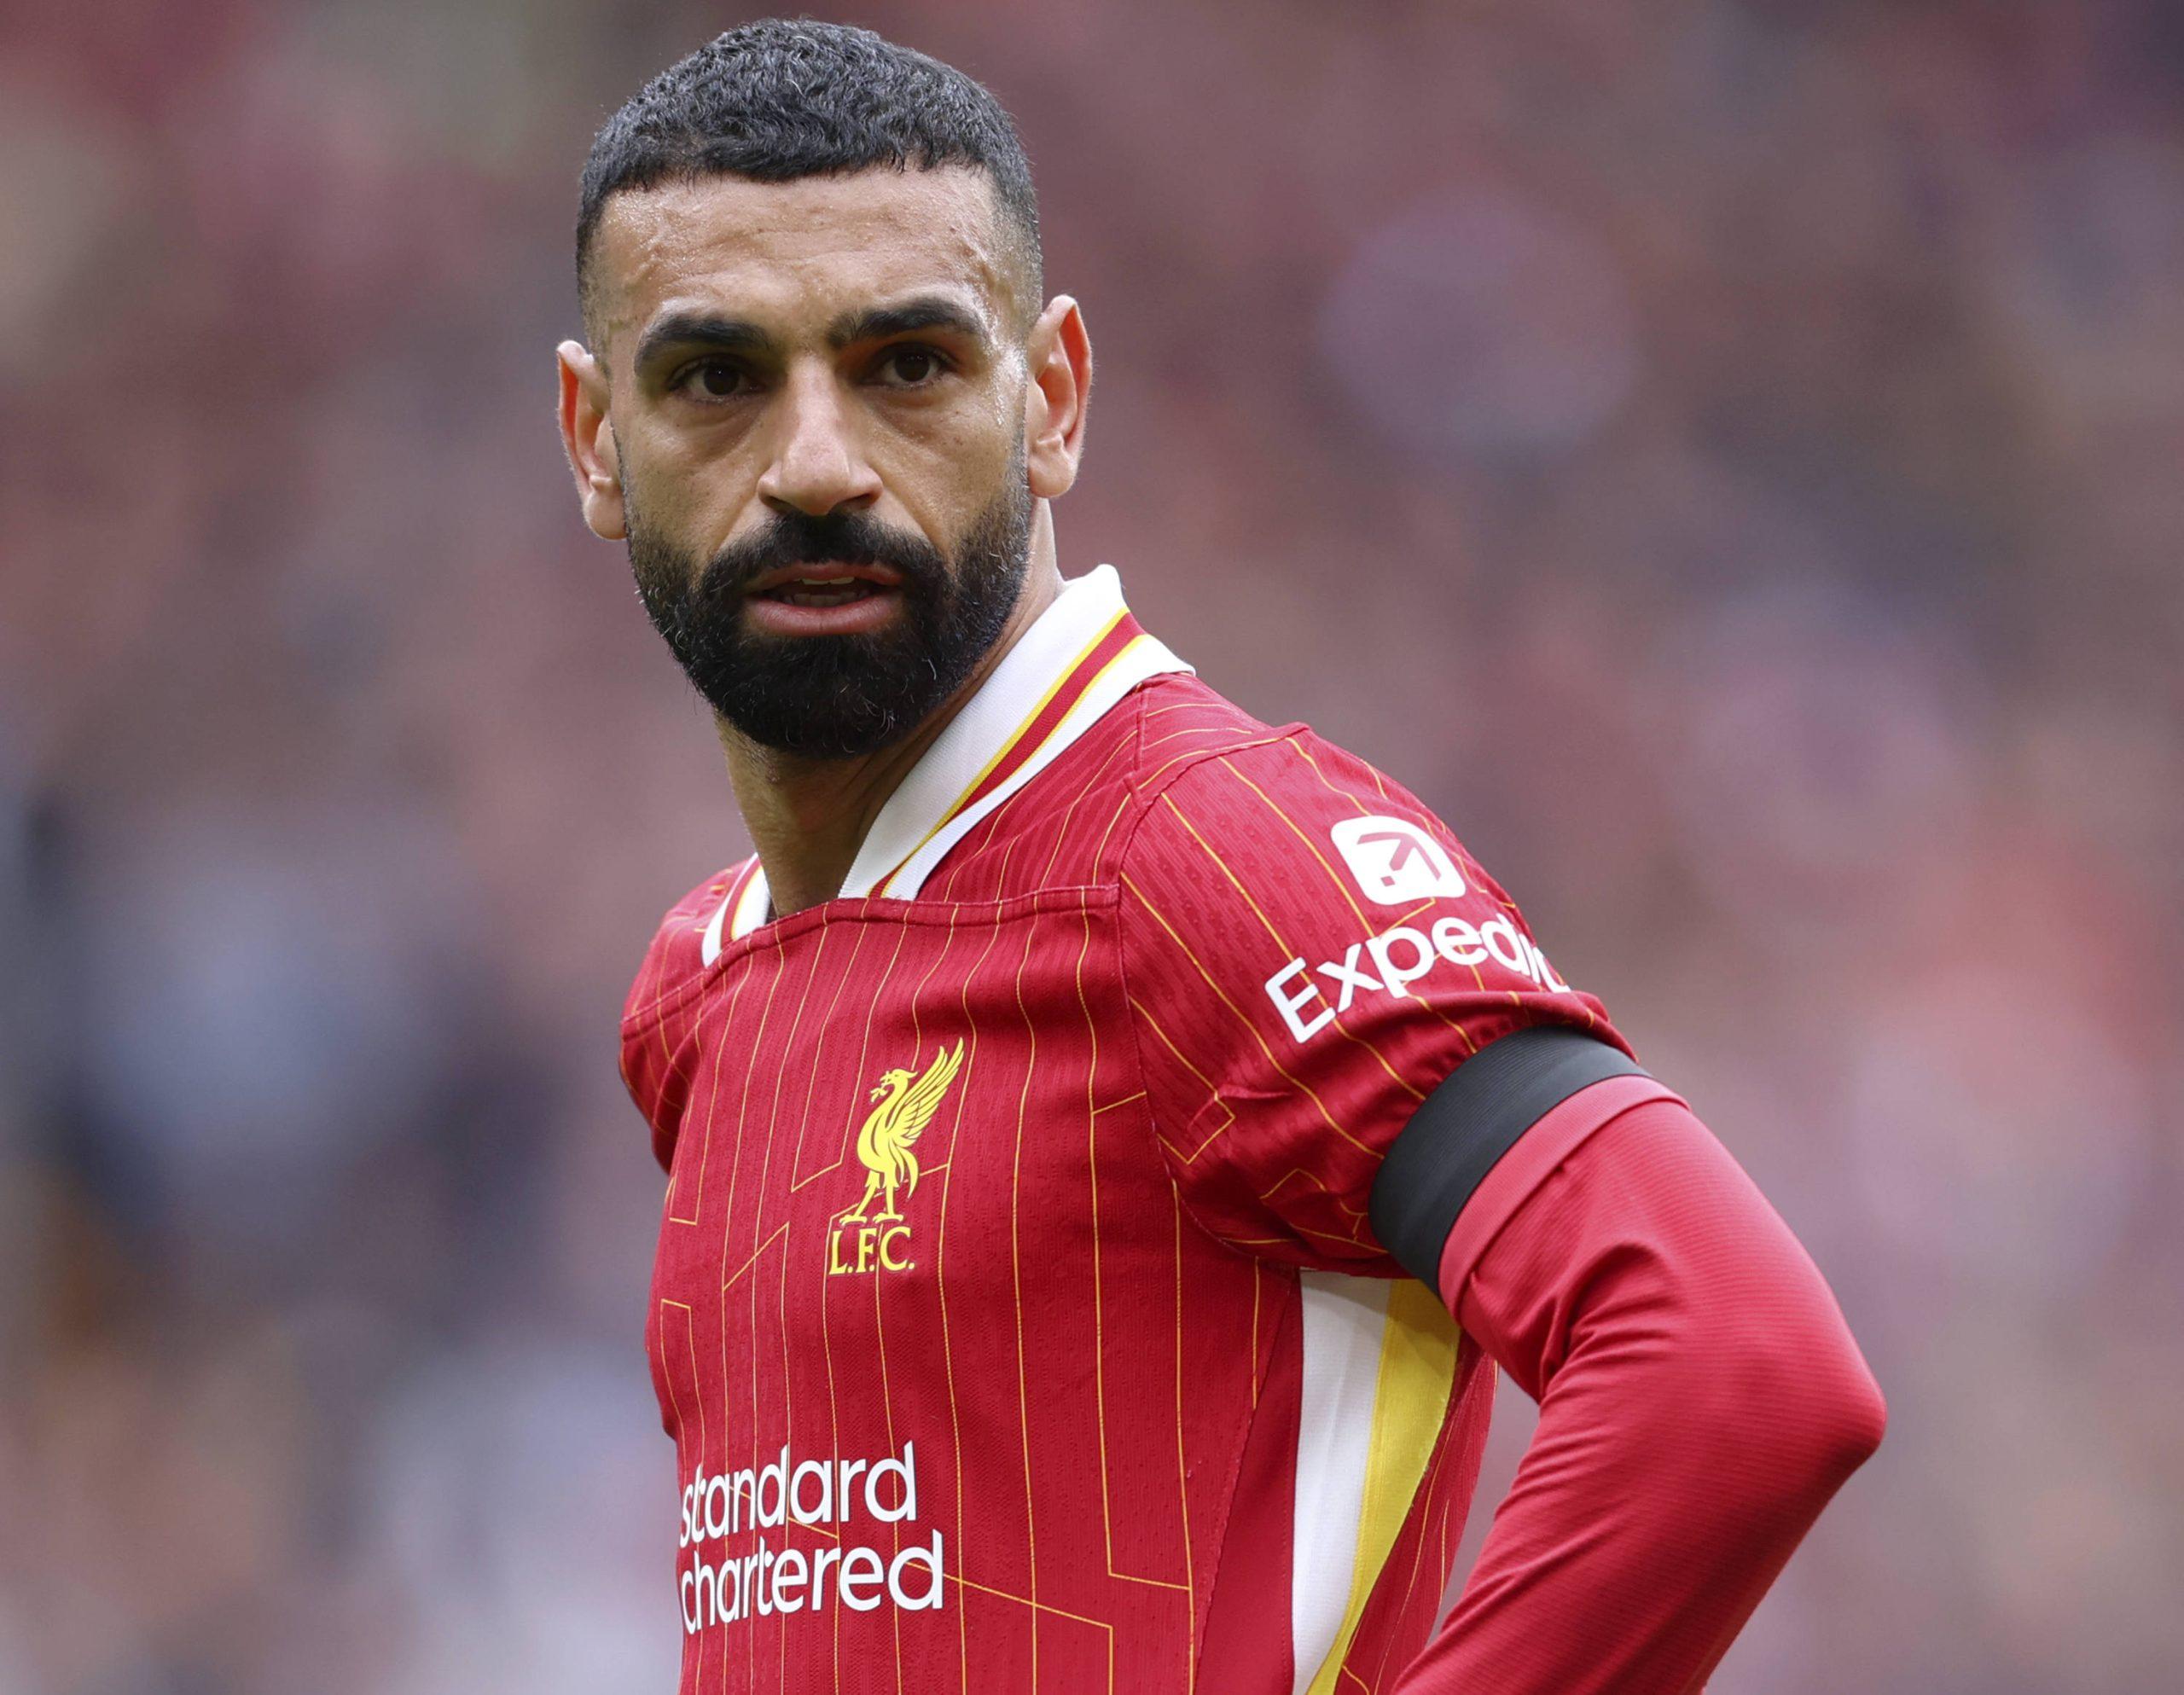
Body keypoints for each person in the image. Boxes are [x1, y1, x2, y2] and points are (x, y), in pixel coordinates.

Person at [555, 20, 1884, 1692]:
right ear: (595, 438)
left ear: (1048, 400)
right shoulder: (699, 987)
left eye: (905, 364)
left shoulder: (1211, 855)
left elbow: (1730, 1363)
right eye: (716, 378)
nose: (815, 462)